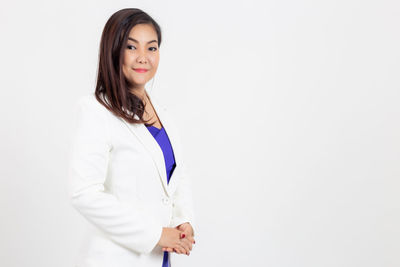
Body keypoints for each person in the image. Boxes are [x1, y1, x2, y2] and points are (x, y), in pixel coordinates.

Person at [67, 8, 196, 267]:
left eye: (152, 48)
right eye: (131, 47)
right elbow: (84, 193)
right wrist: (156, 234)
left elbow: (174, 178)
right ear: (113, 50)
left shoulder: (163, 113)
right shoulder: (95, 110)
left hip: (161, 258)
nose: (143, 58)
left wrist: (184, 221)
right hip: (118, 258)